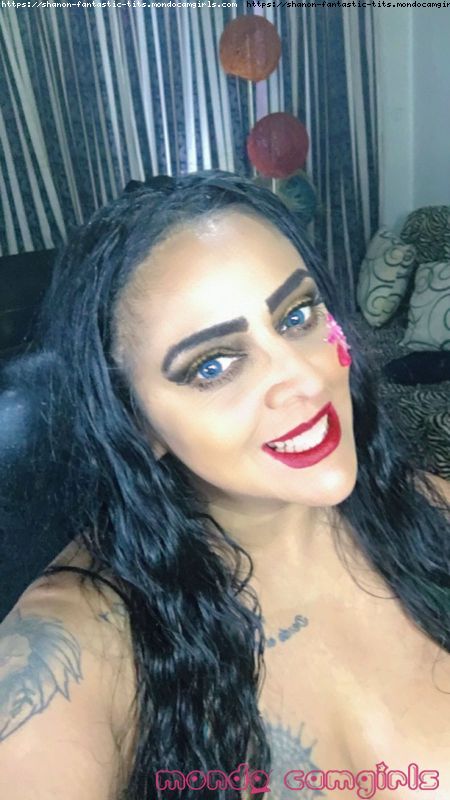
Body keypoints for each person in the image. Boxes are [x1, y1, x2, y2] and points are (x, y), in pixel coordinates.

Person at [0, 170, 449, 800]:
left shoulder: (434, 513)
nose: (303, 378)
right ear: (135, 421)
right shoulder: (75, 649)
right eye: (212, 365)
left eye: (297, 316)